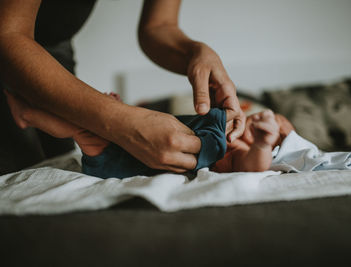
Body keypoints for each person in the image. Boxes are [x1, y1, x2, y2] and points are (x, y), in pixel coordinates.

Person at [0, 0, 245, 175]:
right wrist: (117, 119)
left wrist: (196, 52)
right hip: (12, 47)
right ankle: (27, 113)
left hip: (52, 51)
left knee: (67, 139)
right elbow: (8, 35)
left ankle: (28, 114)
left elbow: (159, 27)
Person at [5, 90, 294, 177]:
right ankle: (29, 114)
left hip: (128, 161)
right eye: (261, 115)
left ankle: (29, 114)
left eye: (273, 126)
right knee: (86, 121)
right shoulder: (224, 121)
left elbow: (251, 168)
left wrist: (261, 144)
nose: (261, 119)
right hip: (135, 139)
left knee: (83, 128)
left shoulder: (236, 149)